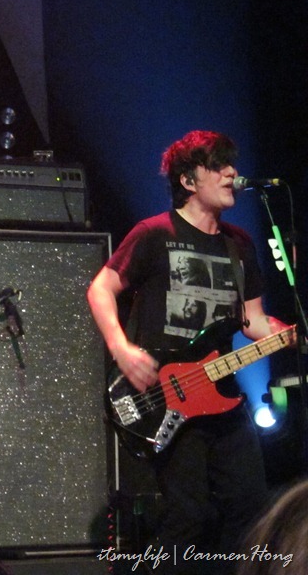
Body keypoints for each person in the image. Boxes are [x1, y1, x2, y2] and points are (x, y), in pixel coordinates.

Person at [87, 130, 292, 574]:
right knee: (188, 516)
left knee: (252, 508)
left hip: (223, 395)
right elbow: (100, 288)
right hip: (168, 396)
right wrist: (121, 348)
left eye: (231, 164)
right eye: (218, 165)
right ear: (188, 180)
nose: (231, 173)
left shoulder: (239, 244)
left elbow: (253, 320)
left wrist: (285, 333)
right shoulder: (154, 233)